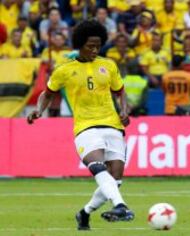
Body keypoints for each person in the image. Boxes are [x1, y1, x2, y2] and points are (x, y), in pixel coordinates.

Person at [27, 20, 134, 230]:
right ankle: (120, 205)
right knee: (98, 167)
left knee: (115, 182)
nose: (95, 50)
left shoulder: (108, 65)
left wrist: (123, 110)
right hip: (85, 127)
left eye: (98, 46)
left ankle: (84, 214)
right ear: (79, 44)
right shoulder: (64, 70)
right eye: (90, 46)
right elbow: (47, 94)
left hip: (113, 126)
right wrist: (39, 110)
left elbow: (120, 92)